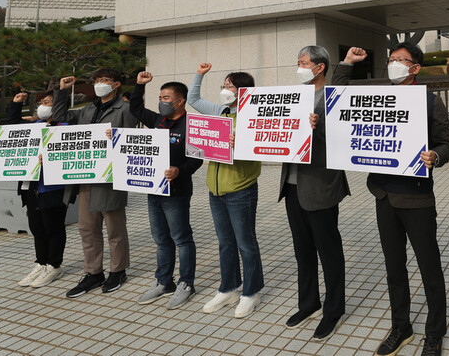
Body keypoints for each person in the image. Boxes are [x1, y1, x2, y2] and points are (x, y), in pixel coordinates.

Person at [334, 44, 449, 356]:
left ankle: (435, 333)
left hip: (416, 198)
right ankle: (401, 327)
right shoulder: (376, 96)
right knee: (394, 267)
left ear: (415, 68)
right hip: (383, 195)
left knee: (430, 268)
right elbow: (338, 95)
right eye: (391, 60)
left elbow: (446, 144)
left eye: (401, 60)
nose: (394, 64)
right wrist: (347, 63)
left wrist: (435, 156)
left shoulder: (430, 101)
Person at [278, 45, 350, 341]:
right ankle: (308, 303)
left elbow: (342, 135)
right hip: (292, 185)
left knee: (328, 250)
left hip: (320, 185)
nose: (299, 67)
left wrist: (319, 127)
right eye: (297, 62)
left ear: (320, 67)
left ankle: (334, 309)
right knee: (302, 250)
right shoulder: (294, 97)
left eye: (304, 63)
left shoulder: (332, 96)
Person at [187, 63, 265, 318]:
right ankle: (228, 287)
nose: (224, 90)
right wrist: (200, 74)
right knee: (225, 243)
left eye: (229, 85)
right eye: (224, 85)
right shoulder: (220, 111)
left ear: (243, 89)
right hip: (216, 189)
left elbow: (260, 149)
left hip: (241, 188)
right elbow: (194, 99)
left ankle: (251, 292)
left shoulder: (254, 115)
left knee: (246, 242)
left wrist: (241, 143)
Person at [52, 68, 138, 298]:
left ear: (116, 84)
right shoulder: (87, 110)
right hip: (87, 177)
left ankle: (118, 270)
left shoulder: (126, 109)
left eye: (105, 80)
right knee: (87, 229)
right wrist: (62, 91)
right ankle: (93, 272)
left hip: (111, 178)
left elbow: (132, 138)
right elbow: (59, 117)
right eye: (97, 80)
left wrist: (117, 136)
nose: (100, 84)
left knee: (114, 229)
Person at [129, 73, 203, 308]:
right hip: (155, 190)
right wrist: (140, 86)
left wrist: (179, 171)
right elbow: (136, 108)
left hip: (177, 192)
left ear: (180, 101)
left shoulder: (192, 124)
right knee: (161, 239)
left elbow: (197, 159)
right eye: (160, 97)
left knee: (181, 238)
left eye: (166, 97)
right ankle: (163, 281)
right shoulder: (159, 120)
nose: (162, 101)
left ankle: (186, 283)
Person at [8, 91, 67, 289]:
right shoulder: (34, 126)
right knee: (37, 228)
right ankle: (40, 262)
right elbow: (13, 127)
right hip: (31, 186)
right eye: (41, 103)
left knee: (53, 227)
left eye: (47, 103)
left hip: (53, 187)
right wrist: (16, 104)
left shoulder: (63, 127)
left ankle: (54, 265)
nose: (42, 106)